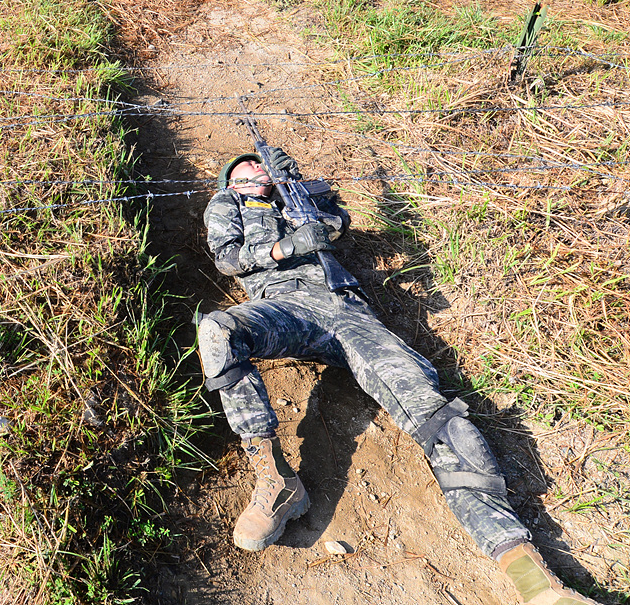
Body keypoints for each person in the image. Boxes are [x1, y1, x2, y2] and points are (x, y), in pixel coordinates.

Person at [197, 149, 600, 605]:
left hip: (348, 313)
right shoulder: (226, 205)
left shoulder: (296, 196)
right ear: (229, 181)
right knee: (216, 331)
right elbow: (228, 260)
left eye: (261, 165)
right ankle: (276, 480)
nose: (255, 169)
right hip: (284, 308)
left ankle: (535, 583)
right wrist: (282, 247)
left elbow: (338, 220)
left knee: (439, 420)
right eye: (244, 168)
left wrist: (299, 189)